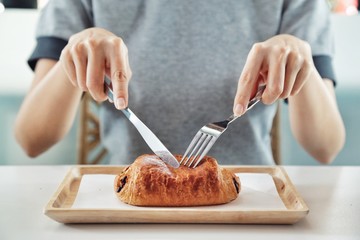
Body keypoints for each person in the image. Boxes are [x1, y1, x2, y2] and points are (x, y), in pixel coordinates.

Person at [14, 0, 345, 165]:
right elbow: (31, 139)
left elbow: (325, 146)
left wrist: (300, 56)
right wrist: (76, 54)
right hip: (124, 211)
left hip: (251, 205)